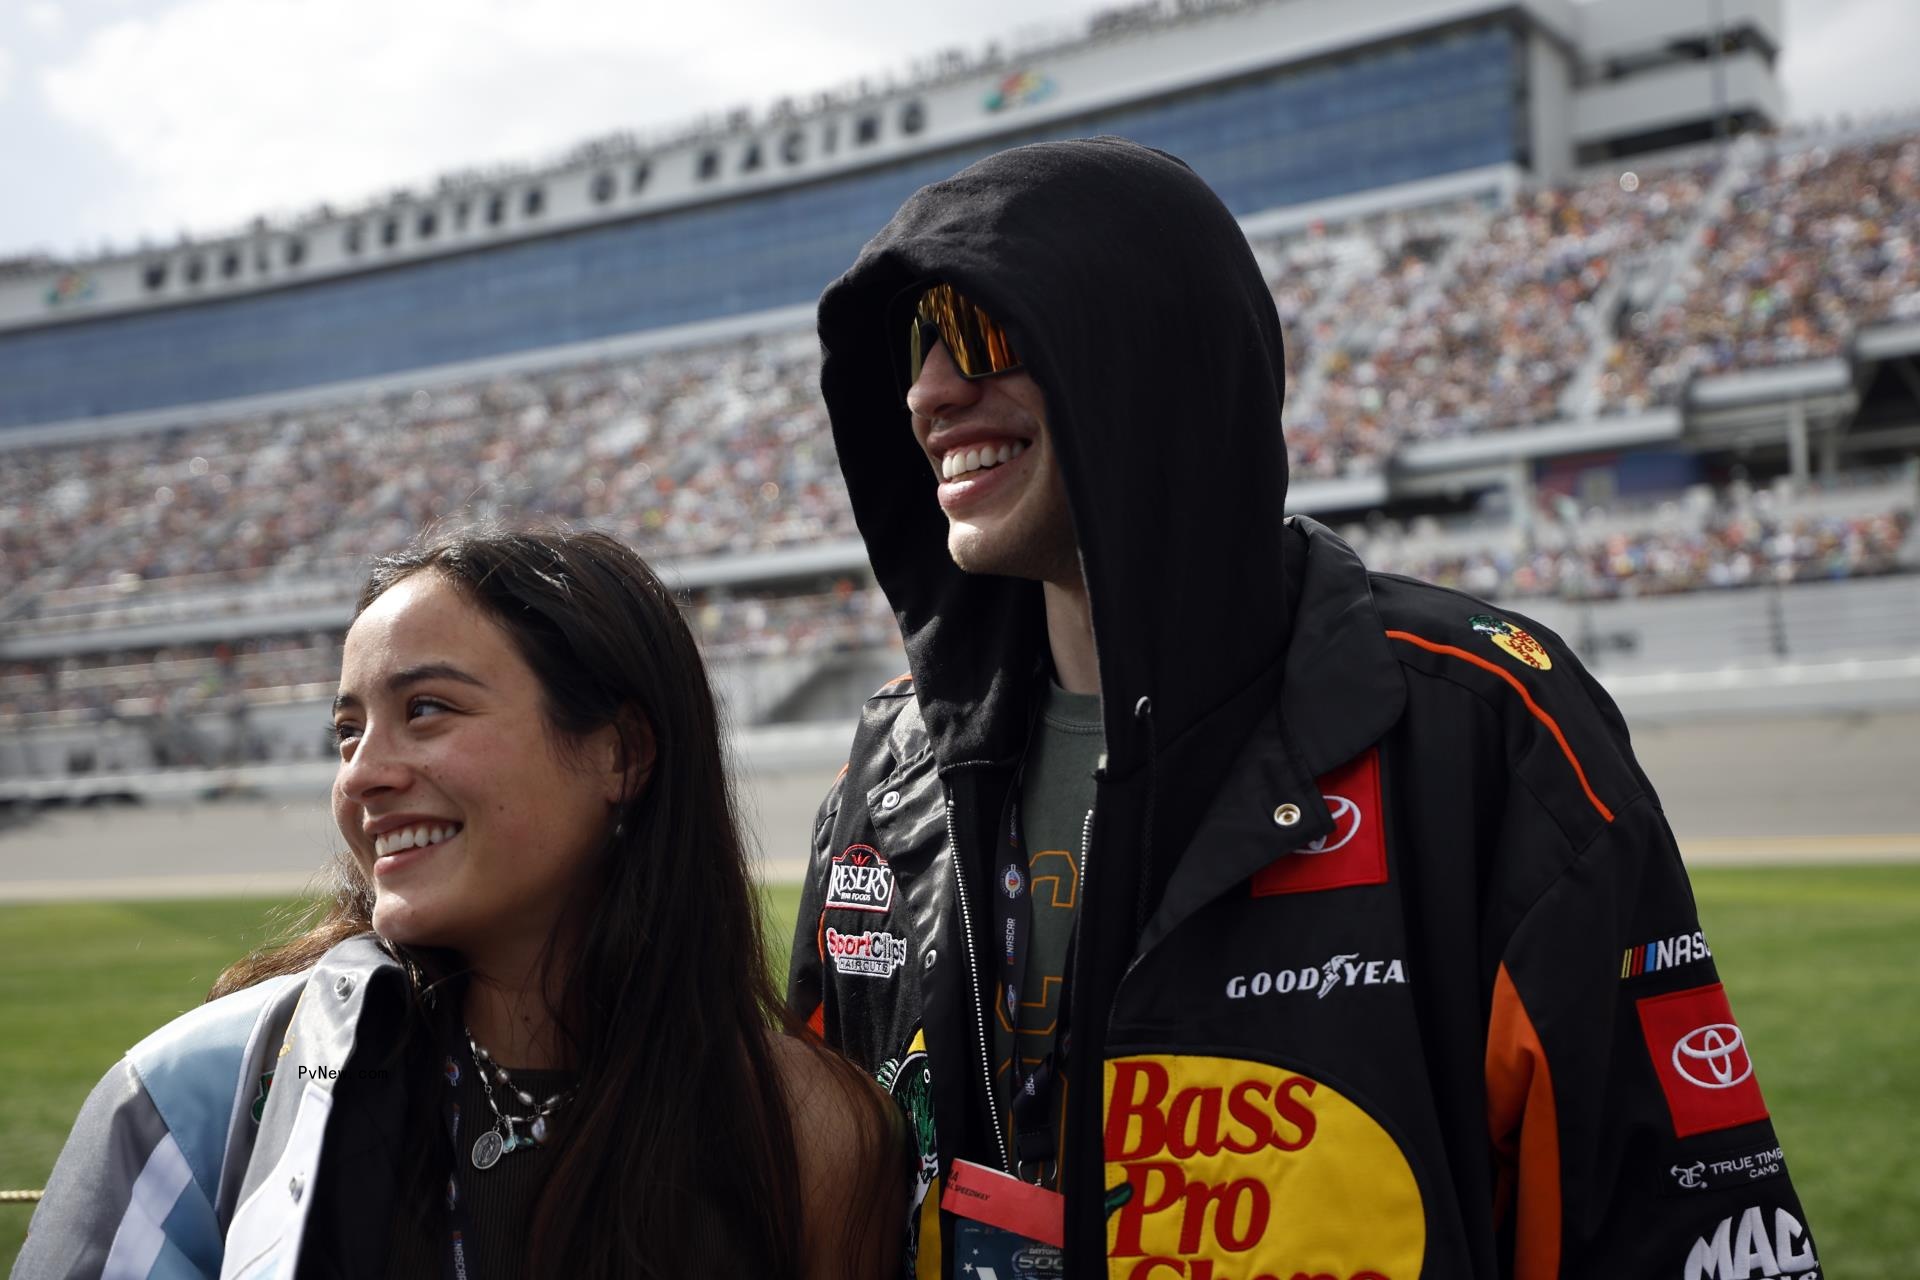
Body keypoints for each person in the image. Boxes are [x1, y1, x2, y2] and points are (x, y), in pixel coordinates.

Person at [787, 137, 1821, 1278]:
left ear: (1145, 352)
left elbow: (1677, 1228)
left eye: (978, 329)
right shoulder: (891, 763)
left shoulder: (1483, 723)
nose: (931, 390)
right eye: (915, 345)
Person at [21, 525, 904, 1280]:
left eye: (429, 708)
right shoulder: (207, 1096)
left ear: (621, 754)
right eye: (347, 731)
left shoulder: (809, 1128)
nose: (362, 774)